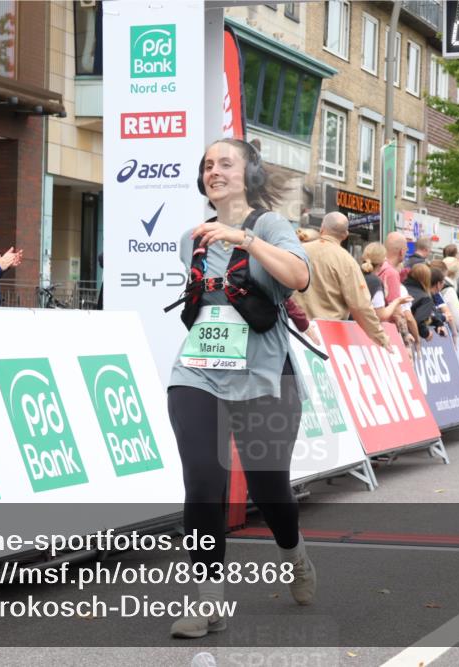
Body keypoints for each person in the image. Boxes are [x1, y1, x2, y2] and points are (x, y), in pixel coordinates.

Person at [167, 138, 314, 638]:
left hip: (264, 376)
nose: (214, 171)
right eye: (208, 165)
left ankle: (293, 553)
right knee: (203, 481)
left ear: (249, 171)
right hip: (198, 371)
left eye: (225, 162)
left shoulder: (269, 225)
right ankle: (208, 602)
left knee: (269, 489)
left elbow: (298, 276)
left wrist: (244, 240)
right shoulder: (191, 238)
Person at [290, 212, 389, 347]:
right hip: (327, 335)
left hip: (293, 328)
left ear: (322, 228)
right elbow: (360, 306)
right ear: (345, 234)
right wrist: (381, 337)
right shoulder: (347, 262)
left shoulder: (297, 251)